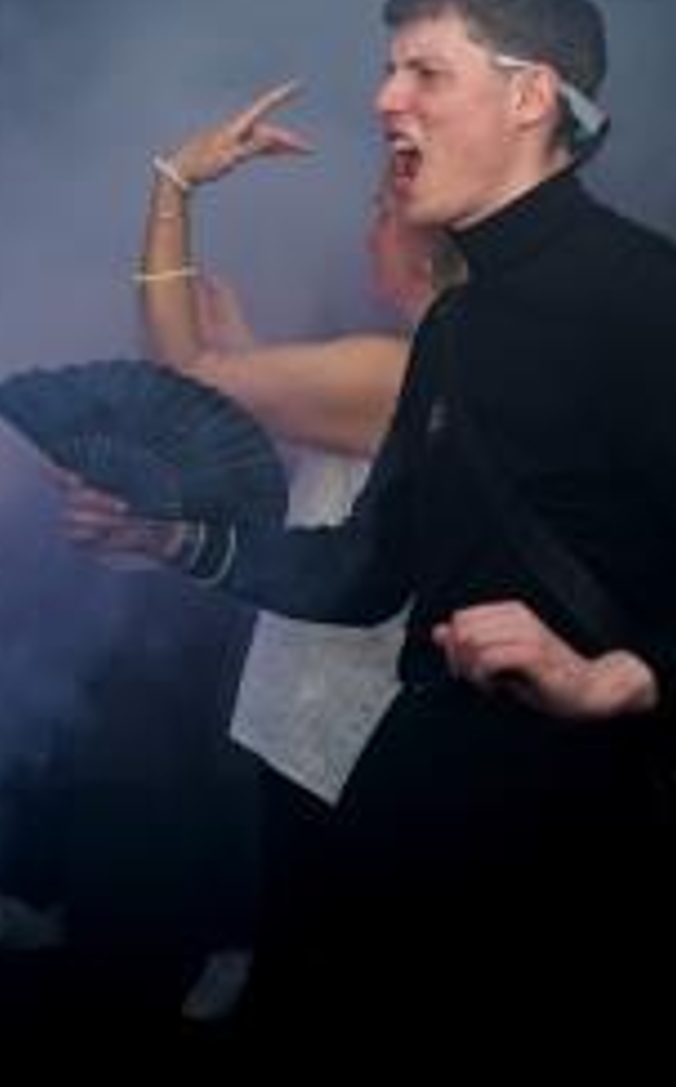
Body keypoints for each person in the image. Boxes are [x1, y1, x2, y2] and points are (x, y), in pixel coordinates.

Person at [59, 0, 676, 1037]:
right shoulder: (459, 324)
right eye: (389, 71)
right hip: (423, 800)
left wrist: (618, 676)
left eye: (425, 71)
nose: (386, 99)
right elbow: (366, 566)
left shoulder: (640, 294)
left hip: (581, 844)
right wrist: (171, 537)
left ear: (529, 96)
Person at [130, 83, 453, 1026]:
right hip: (340, 702)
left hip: (352, 714)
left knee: (326, 968)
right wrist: (251, 356)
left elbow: (182, 381)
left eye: (381, 212)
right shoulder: (421, 358)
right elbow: (331, 453)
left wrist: (174, 184)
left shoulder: (396, 366)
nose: (366, 232)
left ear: (427, 244)